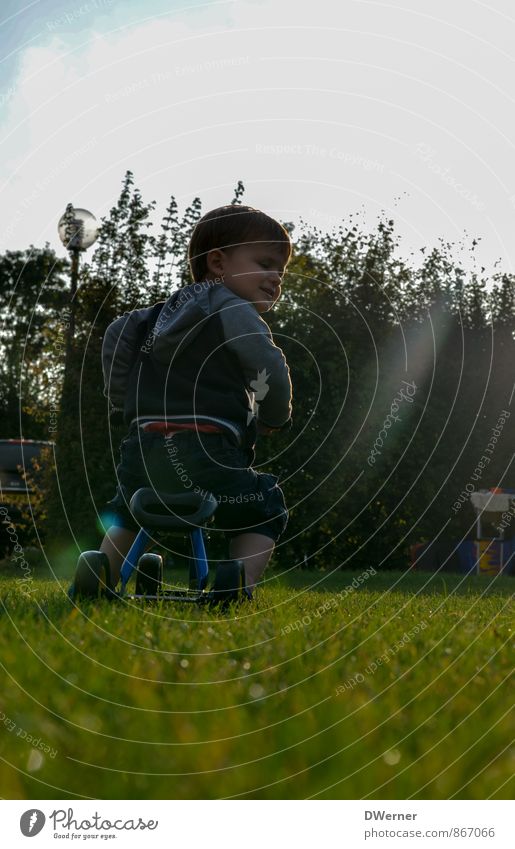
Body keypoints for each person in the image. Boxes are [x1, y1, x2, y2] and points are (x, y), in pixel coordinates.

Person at [100, 204, 293, 597]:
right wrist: (275, 414)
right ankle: (237, 581)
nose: (276, 278)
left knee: (129, 511)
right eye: (265, 263)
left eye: (282, 271)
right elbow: (268, 364)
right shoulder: (232, 308)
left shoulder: (145, 320)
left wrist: (124, 402)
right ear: (218, 263)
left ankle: (99, 575)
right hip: (210, 448)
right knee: (263, 506)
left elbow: (115, 338)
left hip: (144, 446)